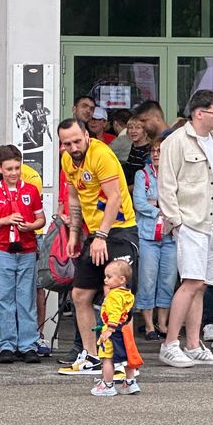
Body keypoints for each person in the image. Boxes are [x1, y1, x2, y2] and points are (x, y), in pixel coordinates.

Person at [155, 89, 213, 369]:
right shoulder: (176, 141)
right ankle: (170, 344)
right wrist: (176, 221)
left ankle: (193, 344)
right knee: (190, 281)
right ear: (199, 113)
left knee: (202, 285)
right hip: (191, 221)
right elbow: (166, 184)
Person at [56, 118, 138, 376]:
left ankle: (124, 362)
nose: (73, 147)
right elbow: (74, 197)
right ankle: (92, 356)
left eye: (76, 141)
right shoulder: (67, 160)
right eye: (67, 143)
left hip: (120, 230)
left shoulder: (101, 154)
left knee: (118, 297)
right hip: (95, 233)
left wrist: (101, 235)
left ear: (86, 136)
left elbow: (114, 197)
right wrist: (73, 233)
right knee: (80, 294)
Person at [0, 145, 45, 363]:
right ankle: (6, 344)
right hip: (2, 250)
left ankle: (28, 345)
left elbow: (41, 219)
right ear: (0, 169)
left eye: (17, 168)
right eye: (9, 169)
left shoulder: (31, 190)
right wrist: (5, 220)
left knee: (26, 298)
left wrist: (31, 226)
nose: (14, 173)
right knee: (4, 298)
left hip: (27, 249)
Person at [132, 139, 174, 340]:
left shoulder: (175, 174)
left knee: (168, 279)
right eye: (153, 151)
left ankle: (162, 323)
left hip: (170, 235)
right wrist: (161, 209)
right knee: (147, 280)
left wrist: (156, 203)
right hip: (148, 236)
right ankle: (149, 326)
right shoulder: (142, 175)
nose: (156, 154)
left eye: (160, 151)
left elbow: (181, 200)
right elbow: (139, 202)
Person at [90, 259, 143, 397]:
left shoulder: (114, 296)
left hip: (112, 330)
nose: (105, 280)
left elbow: (114, 313)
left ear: (122, 279)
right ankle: (130, 382)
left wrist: (109, 329)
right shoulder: (128, 294)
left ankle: (108, 385)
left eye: (109, 277)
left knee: (107, 358)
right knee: (127, 357)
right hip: (124, 329)